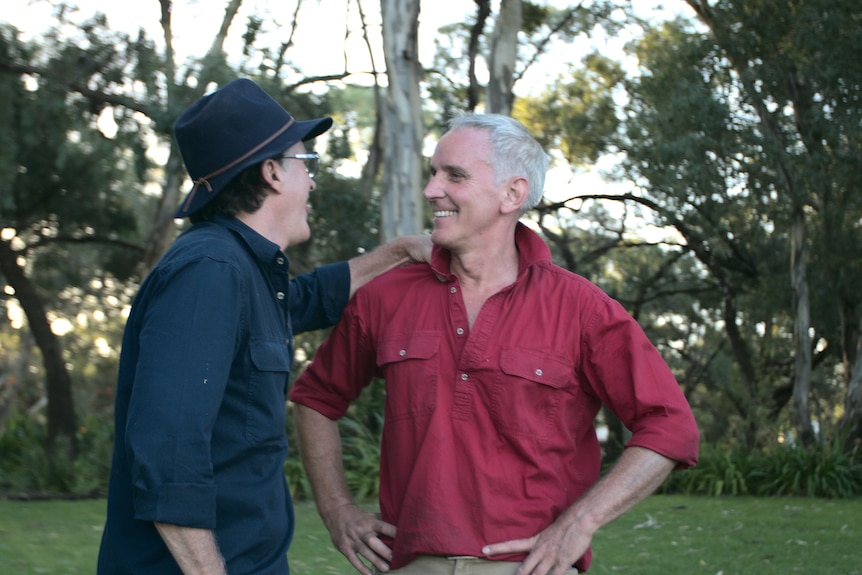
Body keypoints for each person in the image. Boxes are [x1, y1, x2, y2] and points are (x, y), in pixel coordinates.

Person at [289, 113, 699, 575]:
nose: (431, 190)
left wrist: (581, 522)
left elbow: (670, 427)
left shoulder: (583, 309)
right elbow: (315, 399)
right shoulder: (386, 297)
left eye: (455, 175)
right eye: (433, 173)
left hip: (529, 566)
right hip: (413, 564)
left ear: (513, 195)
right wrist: (337, 509)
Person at [96, 78, 432, 575]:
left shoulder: (242, 271)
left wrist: (402, 251)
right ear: (272, 172)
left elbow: (308, 299)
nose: (312, 182)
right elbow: (167, 453)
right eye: (306, 165)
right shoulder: (209, 272)